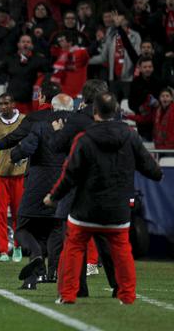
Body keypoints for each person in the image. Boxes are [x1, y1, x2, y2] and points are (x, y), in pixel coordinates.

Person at [44, 92, 162, 305]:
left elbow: (70, 173)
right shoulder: (130, 136)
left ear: (94, 112)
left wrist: (54, 197)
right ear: (116, 111)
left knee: (73, 248)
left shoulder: (84, 138)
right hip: (117, 208)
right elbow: (153, 170)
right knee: (122, 250)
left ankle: (68, 295)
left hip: (86, 208)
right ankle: (126, 295)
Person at [6, 94, 74, 289]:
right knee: (53, 230)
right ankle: (49, 274)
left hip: (37, 185)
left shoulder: (42, 126)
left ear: (52, 108)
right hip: (62, 186)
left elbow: (25, 149)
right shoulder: (76, 129)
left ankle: (35, 258)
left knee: (23, 229)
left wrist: (14, 154)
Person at [0, 93, 26, 263]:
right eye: (0, 104)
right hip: (0, 174)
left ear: (13, 104)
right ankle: (3, 250)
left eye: (6, 103)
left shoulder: (24, 120)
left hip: (19, 174)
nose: (3, 107)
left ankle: (18, 247)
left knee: (19, 213)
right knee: (0, 214)